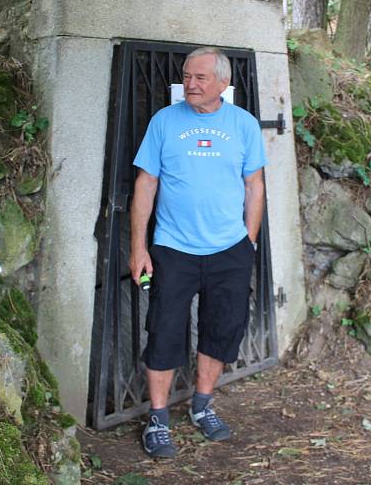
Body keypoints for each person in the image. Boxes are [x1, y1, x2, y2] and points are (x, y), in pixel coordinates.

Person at [129, 47, 267, 458]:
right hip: (173, 248)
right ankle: (158, 418)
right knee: (165, 331)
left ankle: (202, 405)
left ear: (223, 83)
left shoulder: (243, 125)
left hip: (230, 249)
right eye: (187, 76)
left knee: (222, 328)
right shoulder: (164, 122)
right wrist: (139, 247)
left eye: (200, 78)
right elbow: (145, 185)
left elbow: (255, 185)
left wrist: (249, 240)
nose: (190, 83)